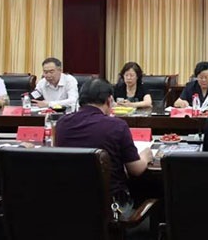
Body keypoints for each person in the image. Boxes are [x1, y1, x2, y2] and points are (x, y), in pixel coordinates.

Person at [54, 78, 152, 217]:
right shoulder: (117, 125)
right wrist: (145, 156)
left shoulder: (62, 123)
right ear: (109, 100)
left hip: (71, 204)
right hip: (111, 206)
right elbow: (135, 170)